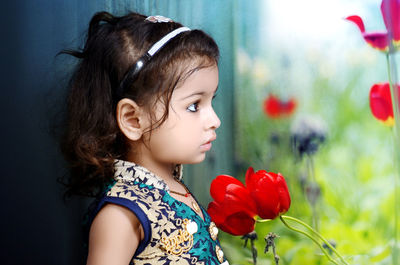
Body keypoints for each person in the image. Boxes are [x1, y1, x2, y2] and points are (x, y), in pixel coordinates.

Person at [59, 10, 229, 265]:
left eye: (210, 101)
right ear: (133, 120)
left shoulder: (173, 189)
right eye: (194, 105)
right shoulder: (122, 214)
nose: (215, 120)